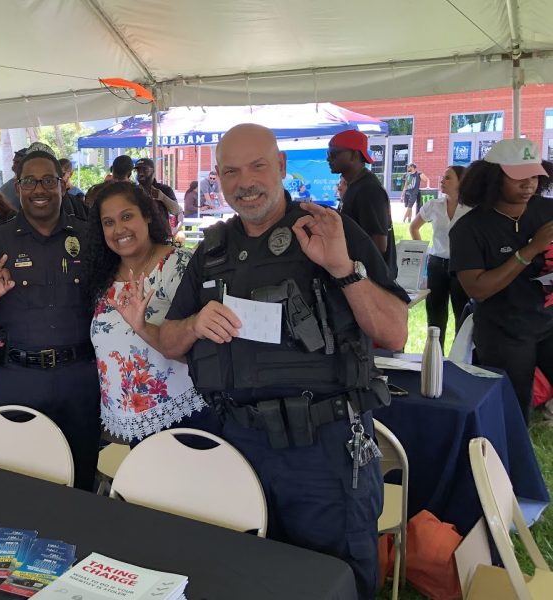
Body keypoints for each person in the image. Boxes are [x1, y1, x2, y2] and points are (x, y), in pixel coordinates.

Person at [158, 124, 409, 599]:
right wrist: (193, 325)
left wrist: (341, 268)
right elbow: (171, 342)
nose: (245, 182)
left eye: (258, 166)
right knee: (245, 578)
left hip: (323, 451)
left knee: (330, 581)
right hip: (239, 445)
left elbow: (394, 332)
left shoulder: (328, 228)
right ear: (217, 177)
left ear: (281, 167)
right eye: (231, 171)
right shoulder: (212, 250)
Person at [0, 145, 100, 490]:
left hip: (79, 381)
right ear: (17, 187)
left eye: (48, 180)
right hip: (17, 379)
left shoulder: (88, 238)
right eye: (30, 182)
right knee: (15, 483)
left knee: (80, 479)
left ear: (62, 184)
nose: (39, 189)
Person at [83, 182, 220, 444]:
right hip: (135, 424)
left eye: (127, 216)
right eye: (108, 222)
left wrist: (143, 327)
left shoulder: (176, 266)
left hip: (185, 418)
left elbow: (199, 354)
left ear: (146, 214)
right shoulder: (104, 278)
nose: (119, 229)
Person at [449, 138, 553, 424]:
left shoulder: (547, 211)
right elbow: (477, 289)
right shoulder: (469, 229)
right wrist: (529, 250)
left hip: (547, 322)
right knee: (512, 411)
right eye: (518, 177)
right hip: (503, 332)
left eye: (534, 175)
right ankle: (509, 464)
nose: (528, 184)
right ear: (493, 178)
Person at [409, 165, 471, 348]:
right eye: (442, 177)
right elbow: (413, 227)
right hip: (436, 264)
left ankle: (459, 358)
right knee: (435, 315)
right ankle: (436, 356)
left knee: (462, 314)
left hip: (462, 266)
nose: (442, 181)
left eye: (448, 178)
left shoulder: (472, 208)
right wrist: (424, 251)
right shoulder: (433, 205)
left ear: (462, 182)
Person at [328, 129, 398, 279]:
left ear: (354, 155)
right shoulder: (355, 186)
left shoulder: (369, 189)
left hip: (373, 280)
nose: (328, 159)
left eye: (333, 154)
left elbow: (379, 245)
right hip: (364, 276)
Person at [135, 157, 182, 234]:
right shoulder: (134, 191)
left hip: (161, 236)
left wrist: (163, 197)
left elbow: (176, 211)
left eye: (145, 170)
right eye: (138, 170)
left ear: (153, 171)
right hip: (140, 235)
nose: (141, 173)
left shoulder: (165, 189)